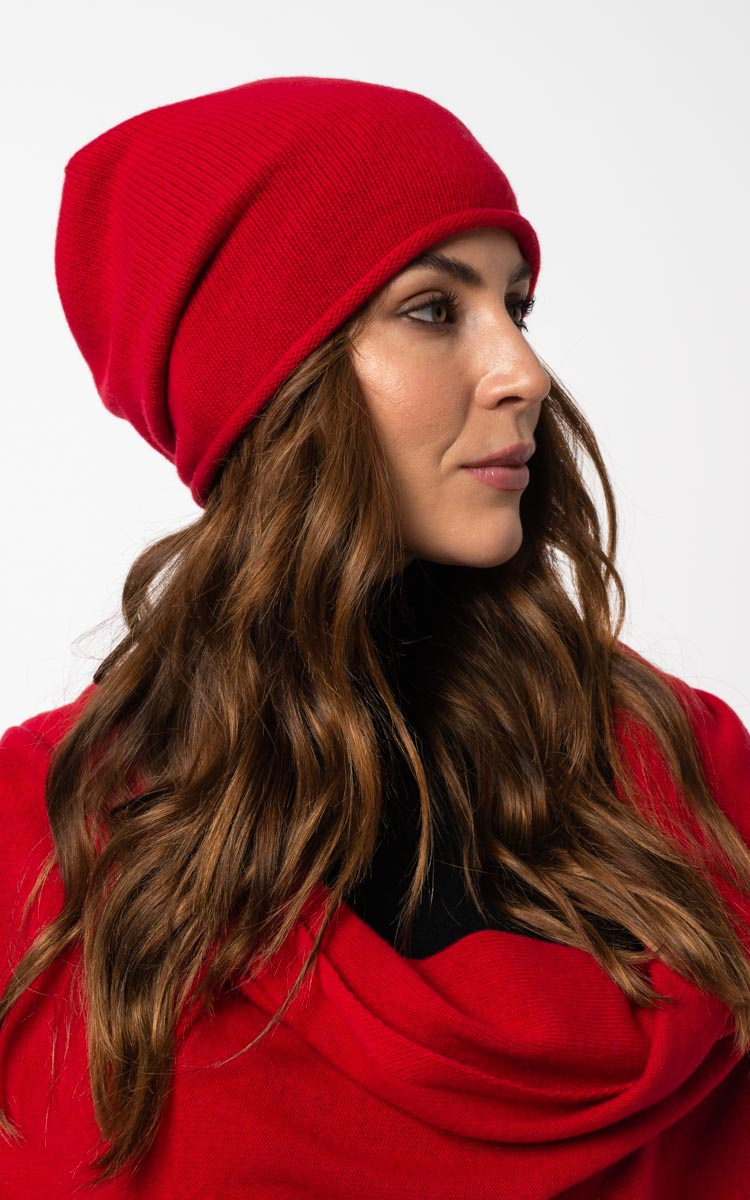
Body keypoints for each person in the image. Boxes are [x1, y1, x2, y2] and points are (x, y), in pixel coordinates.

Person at [1, 75, 749, 1200]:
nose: (524, 374)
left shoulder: (692, 774)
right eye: (435, 309)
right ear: (269, 382)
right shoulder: (37, 843)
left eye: (517, 308)